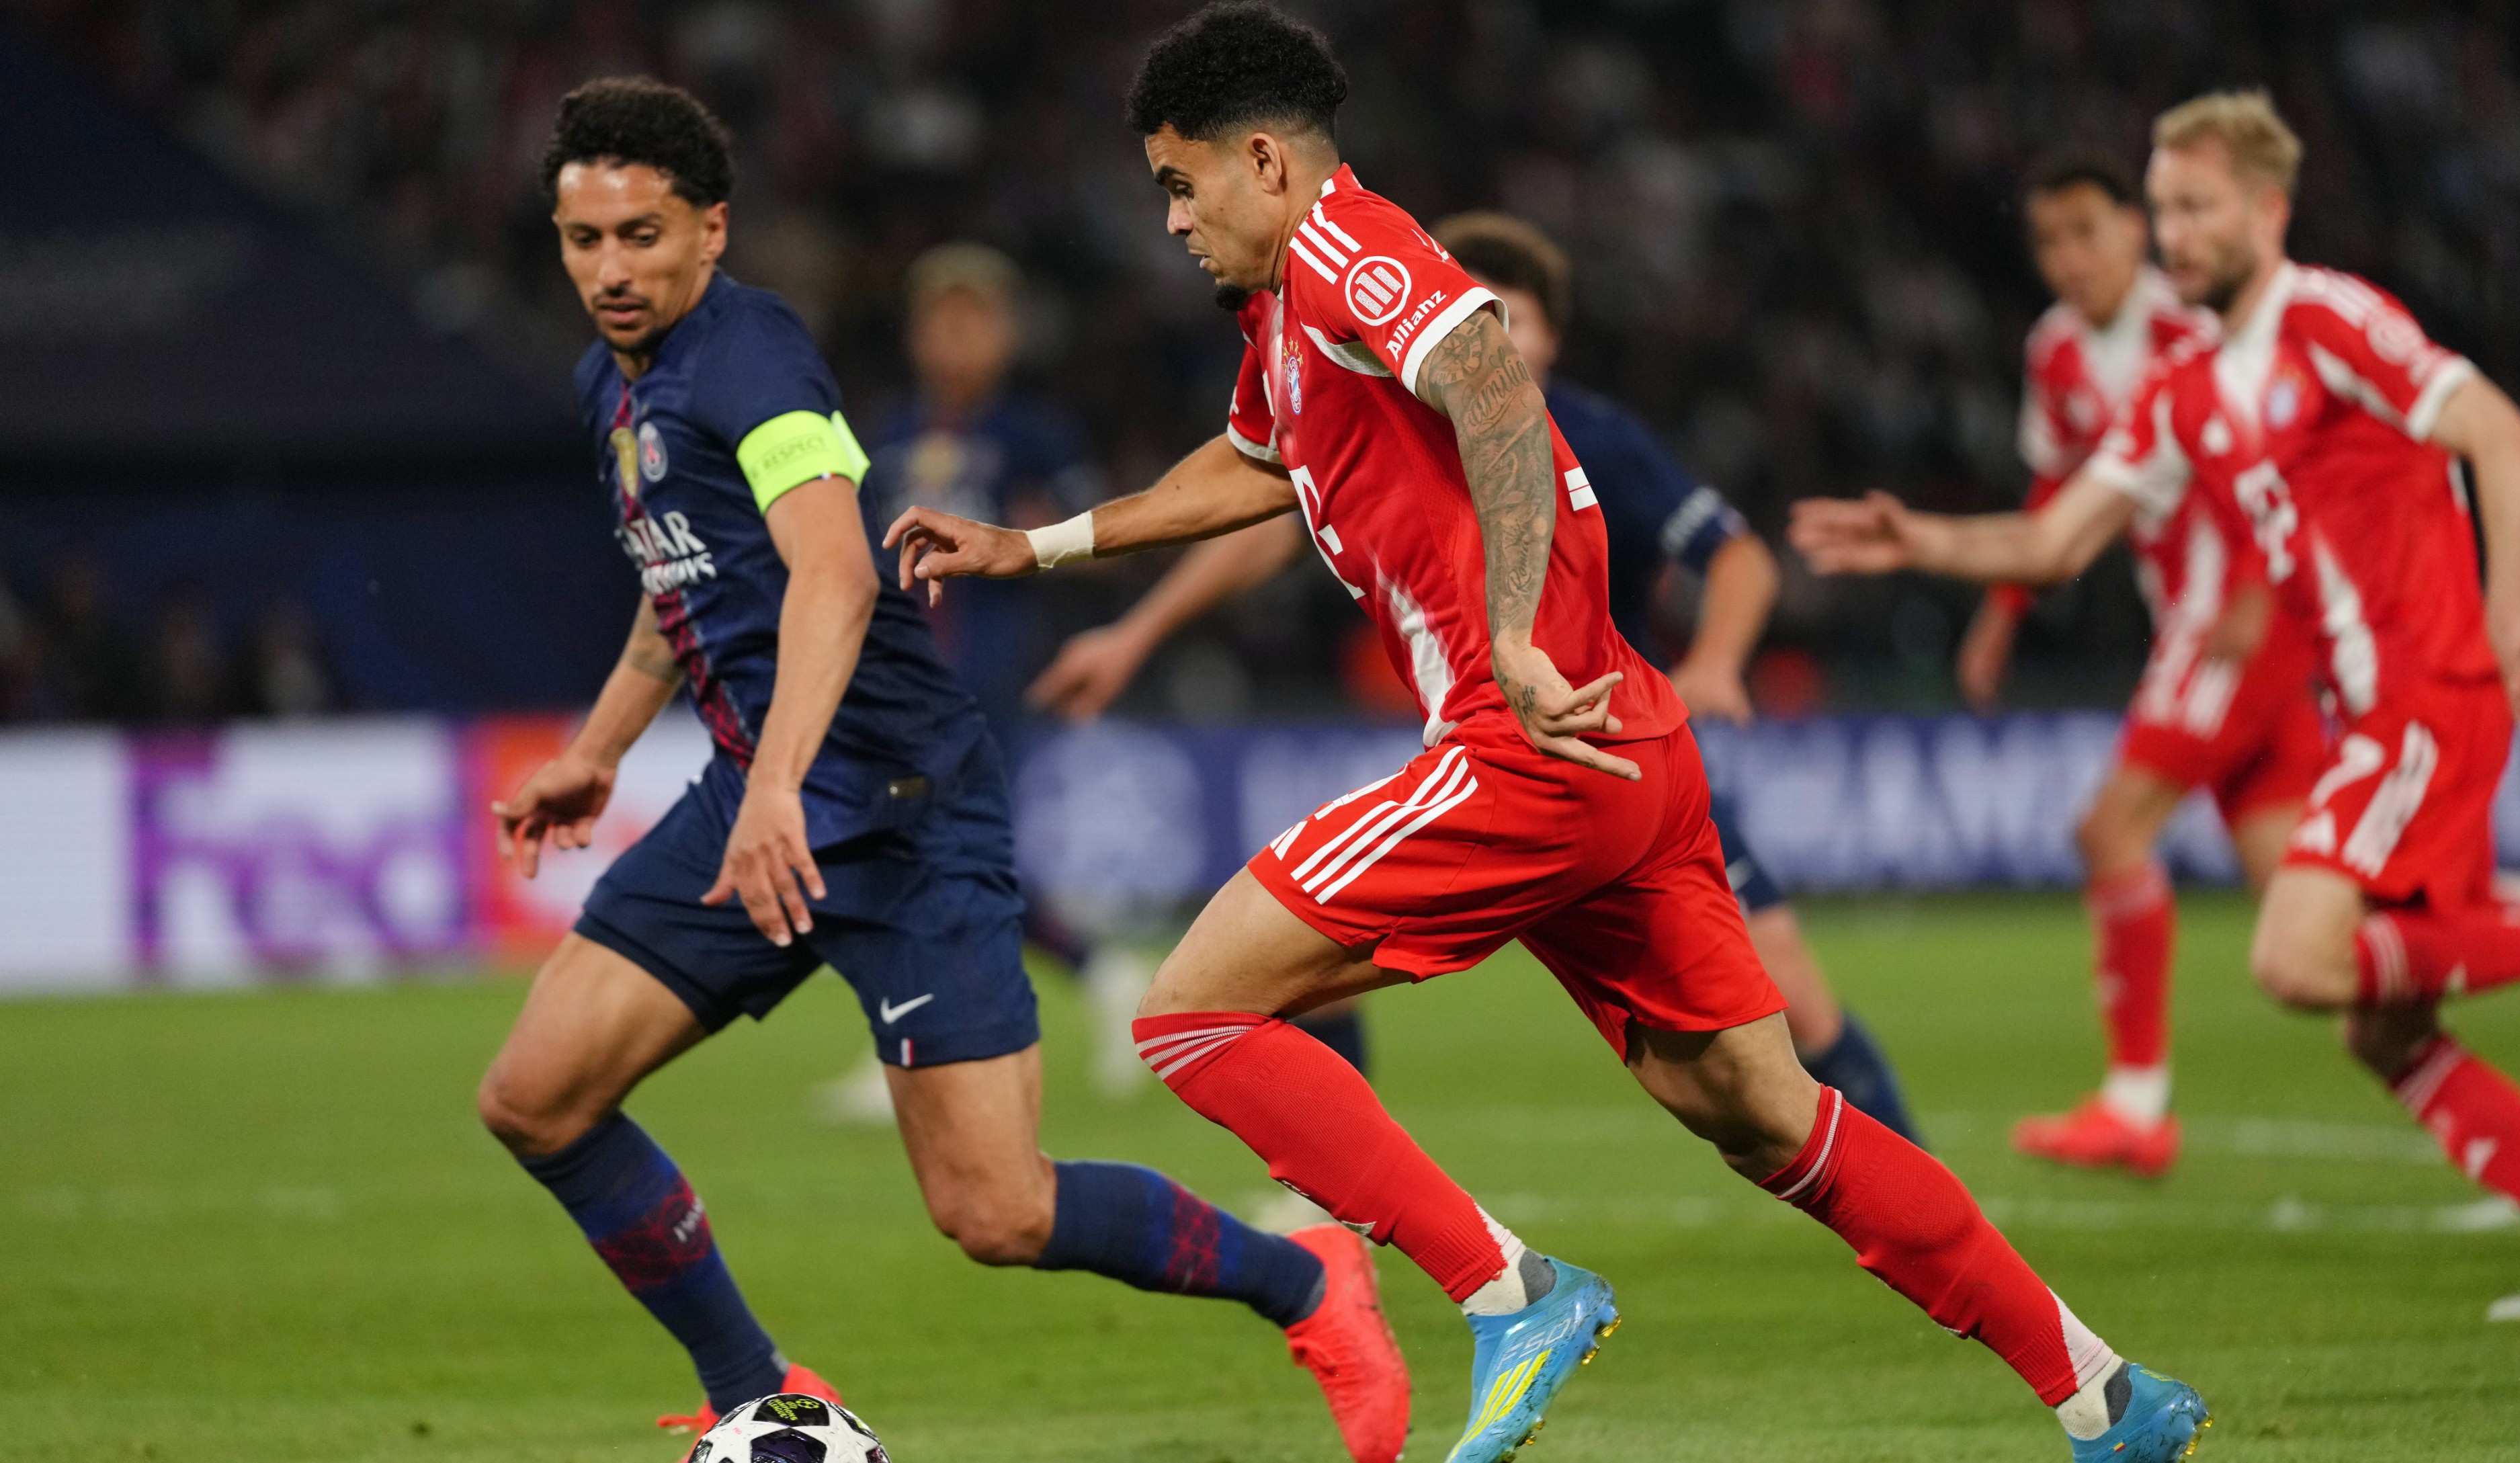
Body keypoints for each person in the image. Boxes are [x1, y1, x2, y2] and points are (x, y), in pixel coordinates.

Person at [886, 9, 2210, 1460]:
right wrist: (1038, 545)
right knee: (1766, 1113)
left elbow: (1496, 390)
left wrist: (1513, 631)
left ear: (1261, 161)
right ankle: (2104, 1392)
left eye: (1179, 183)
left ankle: (1507, 1289)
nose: (1172, 220)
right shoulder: (1281, 316)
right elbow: (1251, 463)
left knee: (1190, 1013)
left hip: (1525, 741)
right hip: (1624, 744)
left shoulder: (1346, 245)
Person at [475, 77, 1409, 1463]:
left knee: (997, 1211)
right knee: (536, 1097)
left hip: (899, 809)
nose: (611, 269)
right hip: (763, 796)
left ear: (712, 231)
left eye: (642, 236)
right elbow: (681, 592)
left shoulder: (752, 359)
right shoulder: (606, 387)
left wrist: (778, 785)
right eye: (584, 239)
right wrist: (597, 755)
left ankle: (1307, 1282)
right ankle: (754, 1389)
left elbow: (835, 575)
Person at [1794, 90, 2520, 1321]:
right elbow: (2056, 539)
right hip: (2363, 712)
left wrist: (2504, 634)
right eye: (2166, 207)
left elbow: (2509, 444)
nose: (2175, 232)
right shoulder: (2184, 390)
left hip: (2425, 694)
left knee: (2296, 956)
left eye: (2197, 207)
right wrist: (1922, 542)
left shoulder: (2329, 321)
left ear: (2269, 209)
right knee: (2383, 1031)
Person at [1025, 210, 1925, 1144]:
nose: (1486, 330)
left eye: (1514, 318)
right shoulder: (1394, 413)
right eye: (1474, 305)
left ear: (1553, 338)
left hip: (1617, 750)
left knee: (1787, 1025)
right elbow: (1270, 519)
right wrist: (1135, 633)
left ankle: (1918, 1182)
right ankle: (1336, 1206)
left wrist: (1715, 661)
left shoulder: (1597, 435)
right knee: (1297, 963)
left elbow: (1737, 555)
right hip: (1494, 752)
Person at [1957, 147, 2327, 1176]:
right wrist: (2001, 613)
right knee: (2309, 910)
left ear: (2135, 229)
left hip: (2235, 615)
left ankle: (2135, 1102)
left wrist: (2256, 585)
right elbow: (2057, 494)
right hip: (2196, 619)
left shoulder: (2192, 326)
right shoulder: (2056, 352)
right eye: (2049, 241)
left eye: (2087, 231)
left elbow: (2279, 456)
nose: (2069, 258)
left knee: (2110, 828)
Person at [813, 242, 1154, 1121]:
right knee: (934, 847)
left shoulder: (1034, 435)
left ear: (1007, 333)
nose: (956, 336)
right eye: (941, 319)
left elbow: (1108, 544)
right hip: (896, 673)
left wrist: (1038, 538)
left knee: (931, 842)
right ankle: (1093, 978)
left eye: (974, 319)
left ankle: (927, 1041)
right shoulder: (885, 433)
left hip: (986, 672)